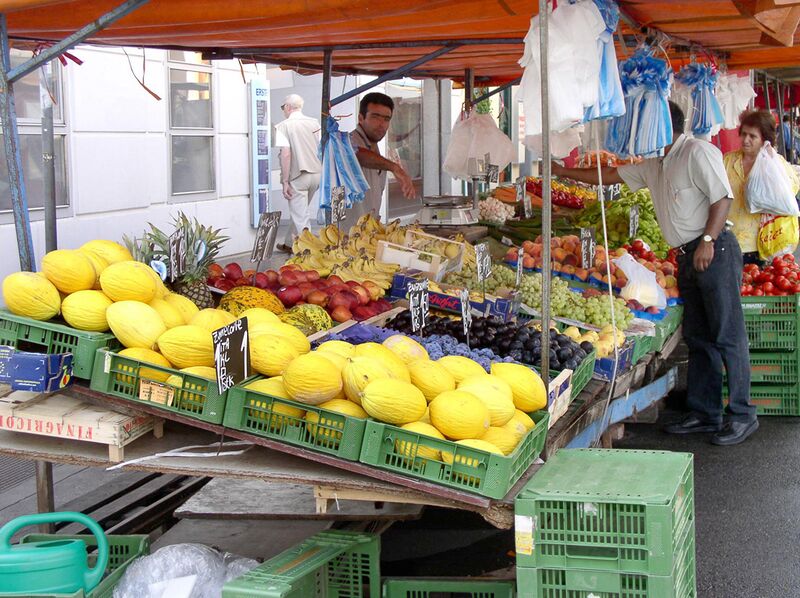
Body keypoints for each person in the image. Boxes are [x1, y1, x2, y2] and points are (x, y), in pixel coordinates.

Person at [553, 101, 757, 446]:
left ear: (661, 126)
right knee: (700, 336)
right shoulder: (655, 164)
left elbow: (721, 198)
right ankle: (705, 413)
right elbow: (610, 176)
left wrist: (707, 240)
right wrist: (560, 172)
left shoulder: (697, 152)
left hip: (715, 250)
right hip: (685, 256)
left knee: (727, 335)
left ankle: (742, 414)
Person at [724, 110, 800, 264]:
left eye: (753, 136)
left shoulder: (777, 165)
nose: (746, 140)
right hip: (729, 241)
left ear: (765, 139)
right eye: (743, 134)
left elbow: (789, 195)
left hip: (762, 244)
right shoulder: (728, 161)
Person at [349, 92, 415, 224]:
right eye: (375, 117)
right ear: (361, 118)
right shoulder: (348, 142)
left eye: (386, 119)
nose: (381, 124)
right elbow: (357, 154)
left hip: (369, 232)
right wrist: (395, 168)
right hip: (345, 236)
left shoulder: (375, 149)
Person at [274, 94, 322, 253]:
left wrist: (285, 181)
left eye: (283, 108)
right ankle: (289, 243)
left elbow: (286, 154)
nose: (283, 111)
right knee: (300, 210)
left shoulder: (282, 126)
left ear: (287, 107)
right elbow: (321, 147)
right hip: (316, 173)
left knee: (301, 216)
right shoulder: (314, 123)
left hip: (298, 175)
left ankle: (309, 252)